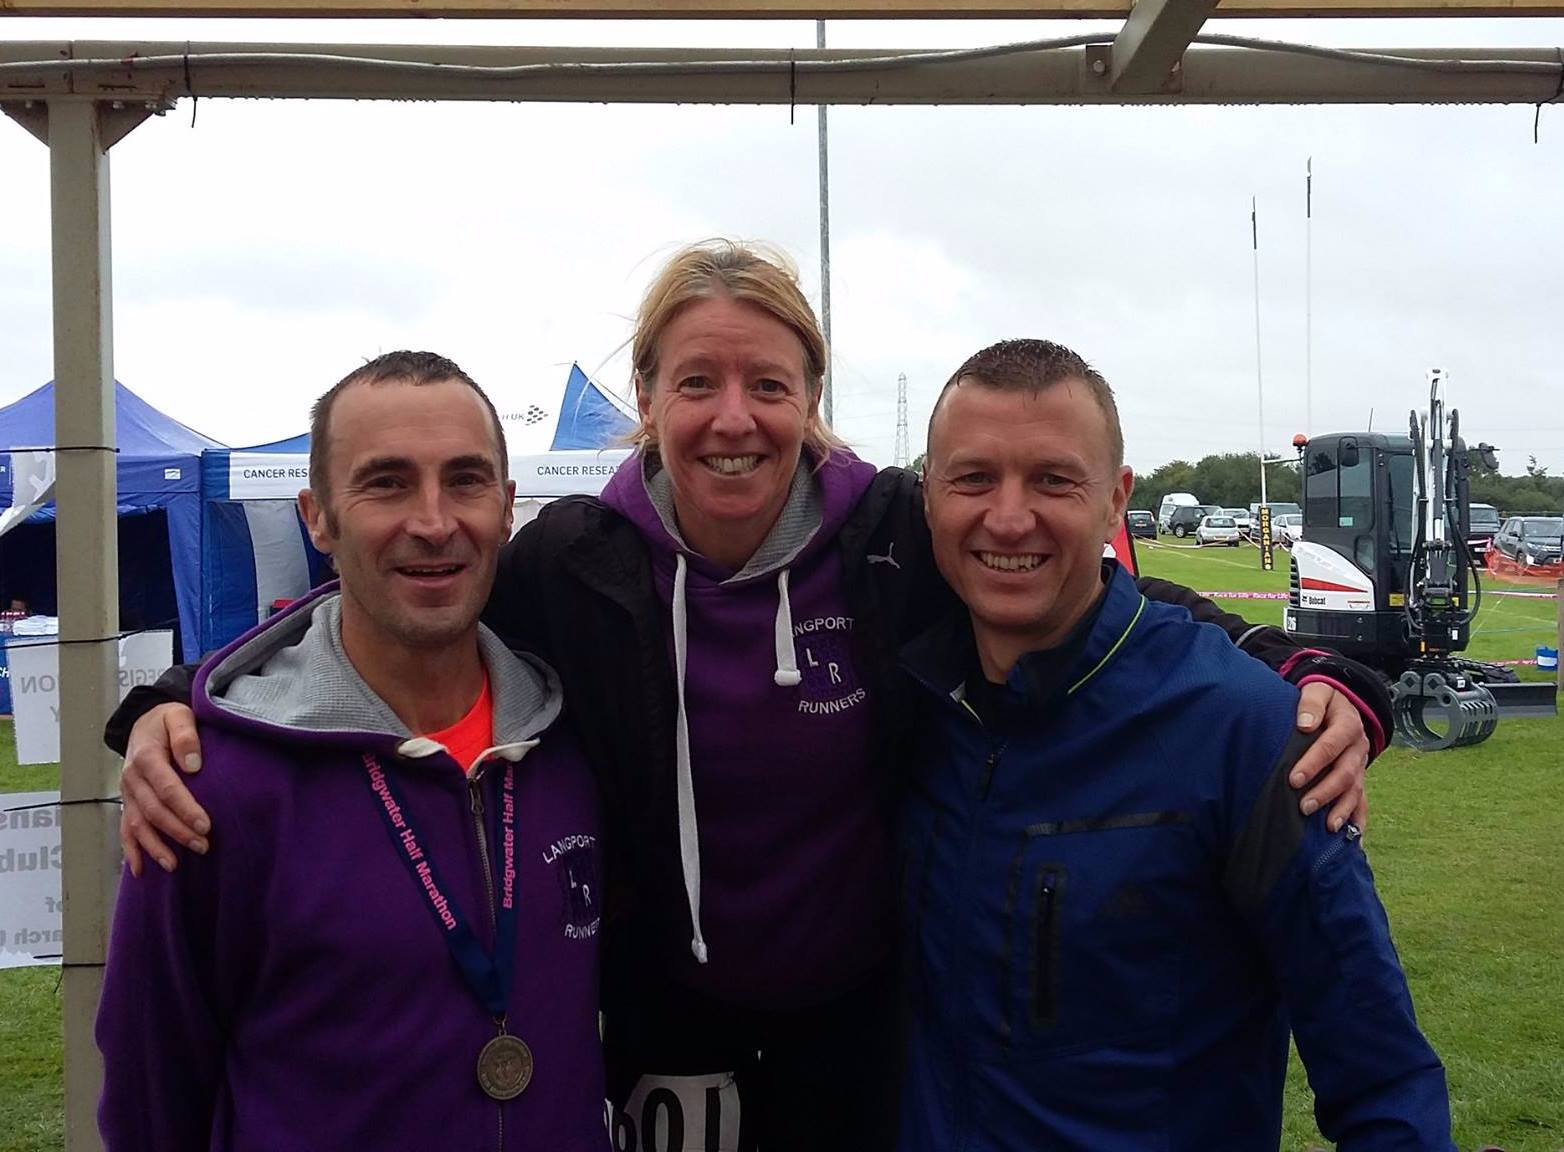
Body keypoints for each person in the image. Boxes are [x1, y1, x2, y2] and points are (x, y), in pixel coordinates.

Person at [106, 243, 1386, 1152]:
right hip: (659, 1031)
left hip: (867, 1031)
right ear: (646, 402)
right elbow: (386, 595)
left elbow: (1089, 596)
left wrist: (1308, 670)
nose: (734, 419)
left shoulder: (890, 539)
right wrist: (173, 697)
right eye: (697, 384)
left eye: (768, 385)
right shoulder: (571, 564)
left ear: (811, 406)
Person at [898, 339, 1449, 1150]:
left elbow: (1383, 1079)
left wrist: (1339, 682)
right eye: (973, 477)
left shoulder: (1249, 734)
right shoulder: (905, 703)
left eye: (1054, 479)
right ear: (929, 498)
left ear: (1116, 499)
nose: (1008, 516)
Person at [96, 352, 608, 1151]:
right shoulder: (208, 786)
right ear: (317, 517)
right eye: (387, 483)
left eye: (465, 480)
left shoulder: (568, 741)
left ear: (508, 509)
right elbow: (149, 1092)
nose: (435, 522)